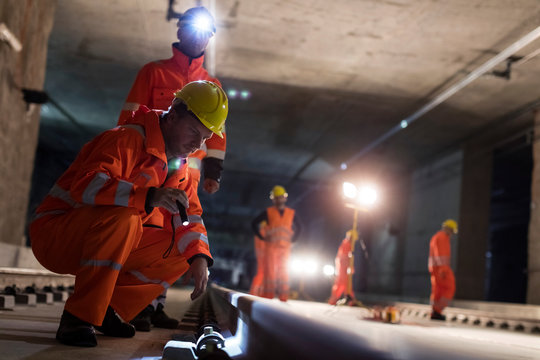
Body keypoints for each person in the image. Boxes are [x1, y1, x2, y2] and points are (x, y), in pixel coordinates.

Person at [29, 80, 228, 347]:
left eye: (204, 138)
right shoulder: (126, 139)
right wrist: (147, 196)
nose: (197, 144)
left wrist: (201, 258)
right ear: (174, 114)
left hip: (104, 237)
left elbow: (190, 216)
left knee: (187, 250)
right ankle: (78, 317)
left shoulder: (178, 169)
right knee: (126, 217)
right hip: (57, 235)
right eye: (193, 131)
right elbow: (86, 186)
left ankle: (110, 307)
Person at [118, 6, 227, 331]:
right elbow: (131, 117)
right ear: (179, 31)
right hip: (149, 169)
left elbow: (219, 135)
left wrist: (212, 173)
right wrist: (127, 159)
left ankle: (155, 304)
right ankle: (133, 303)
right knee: (144, 231)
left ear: (210, 37)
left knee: (176, 235)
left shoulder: (212, 84)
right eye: (192, 29)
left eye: (204, 31)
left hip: (187, 178)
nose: (197, 36)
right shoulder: (153, 73)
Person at [251, 185, 301, 301]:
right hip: (271, 248)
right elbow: (254, 223)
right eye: (277, 197)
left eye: (280, 197)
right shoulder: (268, 212)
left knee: (284, 272)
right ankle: (268, 296)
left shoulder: (291, 213)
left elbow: (300, 228)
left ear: (285, 198)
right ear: (273, 199)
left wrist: (293, 240)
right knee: (270, 273)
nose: (279, 199)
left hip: (285, 249)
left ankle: (283, 297)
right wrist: (261, 237)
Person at [428, 219, 458, 320]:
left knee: (438, 290)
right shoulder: (442, 238)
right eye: (452, 231)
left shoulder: (436, 237)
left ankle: (435, 311)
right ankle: (437, 310)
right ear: (449, 229)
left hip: (435, 268)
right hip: (441, 269)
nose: (451, 234)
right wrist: (443, 270)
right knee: (449, 287)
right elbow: (441, 254)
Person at [328, 229, 357, 305]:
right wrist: (349, 267)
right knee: (343, 283)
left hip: (343, 267)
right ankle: (349, 300)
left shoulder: (347, 244)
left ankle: (350, 300)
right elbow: (345, 258)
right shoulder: (347, 244)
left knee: (345, 284)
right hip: (343, 268)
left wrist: (350, 267)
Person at [249, 220, 267, 296]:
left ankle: (256, 292)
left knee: (261, 273)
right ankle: (257, 292)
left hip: (262, 255)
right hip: (264, 255)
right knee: (262, 274)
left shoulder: (260, 232)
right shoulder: (263, 232)